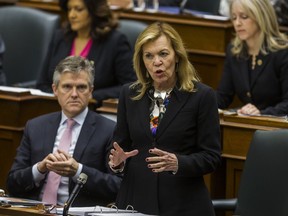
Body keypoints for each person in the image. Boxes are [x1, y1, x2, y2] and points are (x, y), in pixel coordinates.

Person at [108, 22, 221, 215]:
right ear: (141, 61)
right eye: (149, 56)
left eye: (163, 54)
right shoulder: (129, 94)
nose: (156, 62)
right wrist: (117, 163)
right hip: (135, 200)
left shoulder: (202, 96)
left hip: (183, 204)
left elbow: (211, 157)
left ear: (177, 56)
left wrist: (179, 163)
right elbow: (120, 147)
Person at [7, 56, 121, 207]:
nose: (74, 94)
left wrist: (78, 171)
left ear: (91, 91)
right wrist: (39, 169)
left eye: (81, 87)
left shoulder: (109, 130)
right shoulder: (35, 126)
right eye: (67, 87)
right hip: (35, 211)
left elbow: (118, 186)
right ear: (55, 89)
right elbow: (12, 183)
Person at [36, 0, 136, 103]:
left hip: (95, 110)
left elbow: (132, 87)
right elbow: (42, 83)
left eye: (78, 9)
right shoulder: (59, 37)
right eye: (70, 9)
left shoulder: (115, 42)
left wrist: (93, 95)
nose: (72, 15)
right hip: (57, 109)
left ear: (94, 11)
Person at [216, 0, 288, 116]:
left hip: (277, 127)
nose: (237, 23)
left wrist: (261, 114)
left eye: (244, 17)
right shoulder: (234, 51)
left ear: (261, 17)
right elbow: (223, 96)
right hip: (249, 122)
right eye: (234, 18)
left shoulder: (283, 52)